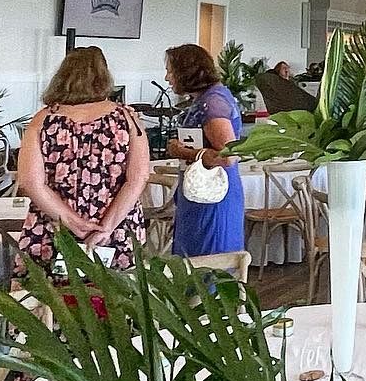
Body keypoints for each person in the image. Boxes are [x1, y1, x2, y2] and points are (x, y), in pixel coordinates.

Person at [15, 47, 150, 278]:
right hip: (116, 227)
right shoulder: (126, 118)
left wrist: (72, 222)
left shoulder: (44, 119)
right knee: (114, 306)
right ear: (104, 76)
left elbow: (31, 182)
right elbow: (138, 177)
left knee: (51, 307)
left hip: (54, 226)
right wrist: (107, 226)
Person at [164, 43, 245, 260]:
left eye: (170, 71)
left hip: (213, 194)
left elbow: (227, 156)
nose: (167, 78)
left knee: (208, 261)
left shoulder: (213, 102)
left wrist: (184, 152)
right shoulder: (206, 98)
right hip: (200, 192)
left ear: (186, 72)